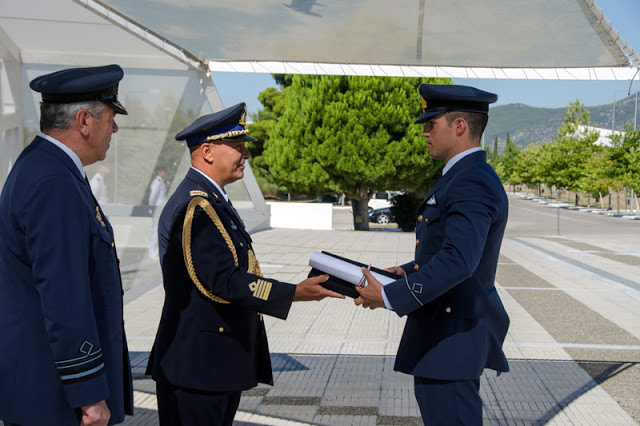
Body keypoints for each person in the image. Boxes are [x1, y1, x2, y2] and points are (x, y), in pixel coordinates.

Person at [146, 102, 343, 426]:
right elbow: (223, 279)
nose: (246, 155)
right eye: (237, 146)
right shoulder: (197, 206)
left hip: (211, 367)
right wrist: (292, 292)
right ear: (207, 151)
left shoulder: (211, 199)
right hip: (198, 368)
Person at [354, 84, 510, 425]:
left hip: (452, 335)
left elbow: (459, 261)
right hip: (444, 334)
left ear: (459, 127)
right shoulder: (463, 176)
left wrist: (391, 296)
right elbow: (444, 252)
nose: (424, 132)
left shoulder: (471, 181)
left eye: (431, 123)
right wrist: (406, 271)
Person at [0, 65, 133, 425]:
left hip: (46, 390)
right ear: (84, 121)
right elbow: (63, 296)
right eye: (110, 117)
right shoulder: (53, 181)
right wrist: (90, 395)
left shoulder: (48, 168)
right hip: (53, 399)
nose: (115, 128)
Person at [148, 165, 168, 259]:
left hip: (160, 209)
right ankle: (152, 252)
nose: (165, 173)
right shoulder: (157, 182)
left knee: (158, 230)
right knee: (155, 231)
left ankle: (155, 251)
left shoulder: (161, 182)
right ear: (159, 172)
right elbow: (153, 197)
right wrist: (152, 208)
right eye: (163, 171)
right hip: (157, 209)